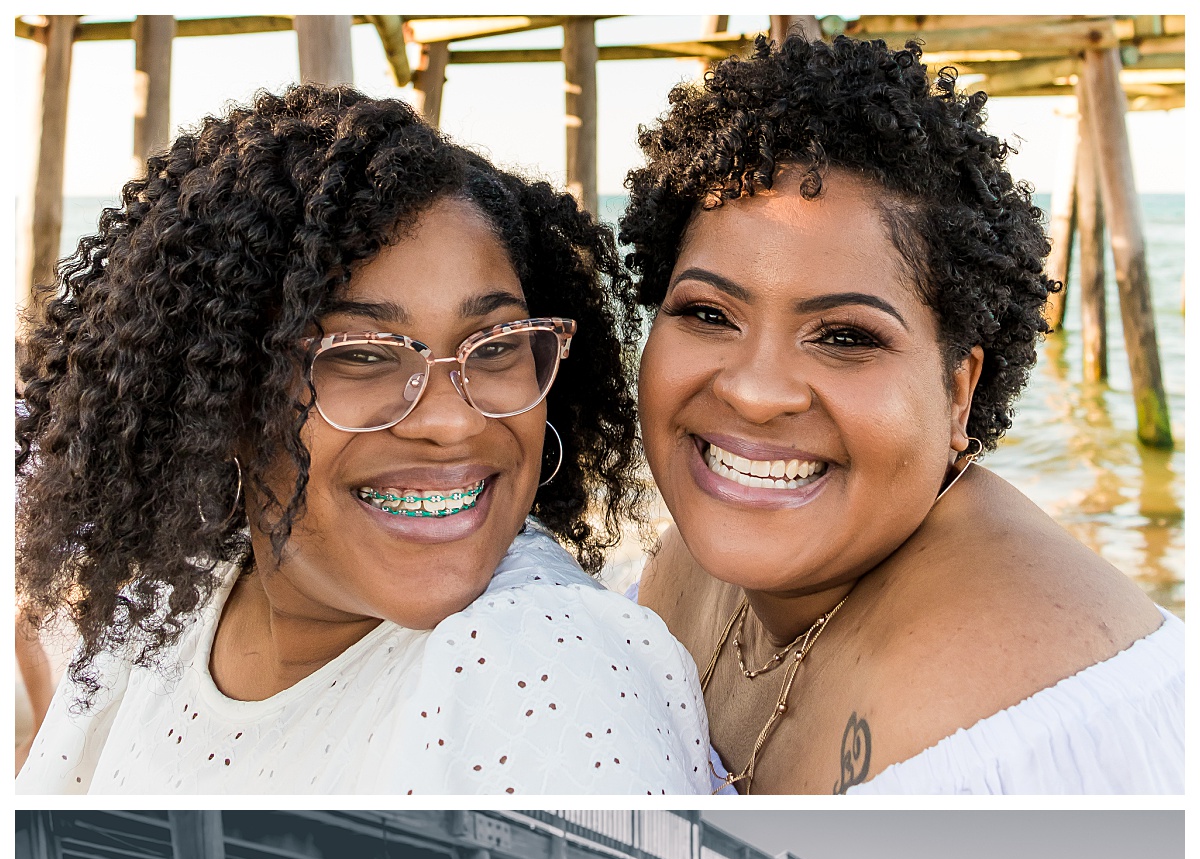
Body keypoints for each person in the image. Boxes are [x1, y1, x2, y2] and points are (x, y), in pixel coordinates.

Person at [16, 84, 708, 796]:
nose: (452, 421)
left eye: (494, 344)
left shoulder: (533, 666)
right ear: (224, 396)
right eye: (363, 354)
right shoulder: (166, 614)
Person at [629, 32, 1183, 794]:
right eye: (708, 312)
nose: (755, 391)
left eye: (846, 336)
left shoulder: (1004, 727)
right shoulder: (690, 559)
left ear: (959, 392)